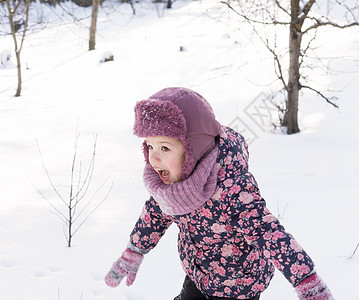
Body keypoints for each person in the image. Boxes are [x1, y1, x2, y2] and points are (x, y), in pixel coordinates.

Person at [104, 87, 334, 300]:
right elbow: (154, 214)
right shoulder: (170, 184)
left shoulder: (231, 189)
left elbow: (269, 233)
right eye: (149, 146)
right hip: (199, 275)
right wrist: (134, 251)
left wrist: (307, 281)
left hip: (238, 286)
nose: (153, 158)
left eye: (165, 148)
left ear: (192, 148)